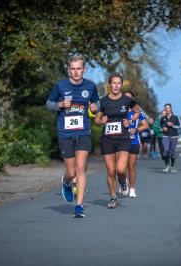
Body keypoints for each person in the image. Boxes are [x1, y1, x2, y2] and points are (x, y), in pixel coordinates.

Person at [46, 54, 99, 218]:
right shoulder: (60, 86)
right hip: (65, 133)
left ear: (84, 69)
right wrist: (59, 105)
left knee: (80, 168)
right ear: (69, 70)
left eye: (79, 69)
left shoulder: (90, 86)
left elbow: (96, 103)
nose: (76, 72)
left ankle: (79, 206)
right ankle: (67, 182)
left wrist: (94, 107)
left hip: (83, 132)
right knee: (71, 172)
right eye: (73, 69)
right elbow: (49, 104)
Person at [95, 73, 141, 208]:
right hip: (107, 139)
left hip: (123, 139)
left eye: (118, 83)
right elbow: (97, 120)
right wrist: (101, 120)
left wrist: (131, 120)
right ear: (109, 85)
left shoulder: (127, 100)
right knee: (110, 171)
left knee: (121, 169)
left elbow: (138, 112)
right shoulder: (103, 101)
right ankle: (113, 198)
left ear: (121, 85)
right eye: (113, 83)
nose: (116, 85)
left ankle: (123, 183)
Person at [124, 90, 149, 198]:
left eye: (130, 98)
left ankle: (132, 188)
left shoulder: (137, 112)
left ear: (133, 99)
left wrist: (136, 129)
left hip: (134, 141)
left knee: (131, 166)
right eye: (125, 97)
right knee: (121, 166)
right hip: (121, 141)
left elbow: (145, 125)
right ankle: (123, 182)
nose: (127, 100)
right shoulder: (119, 110)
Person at [160, 103, 181, 173]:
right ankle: (167, 166)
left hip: (174, 136)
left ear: (171, 109)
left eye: (168, 108)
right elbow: (160, 125)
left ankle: (172, 166)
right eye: (166, 108)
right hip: (165, 136)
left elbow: (180, 125)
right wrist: (163, 128)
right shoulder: (163, 118)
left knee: (172, 152)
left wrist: (172, 125)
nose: (167, 109)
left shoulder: (175, 117)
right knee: (166, 151)